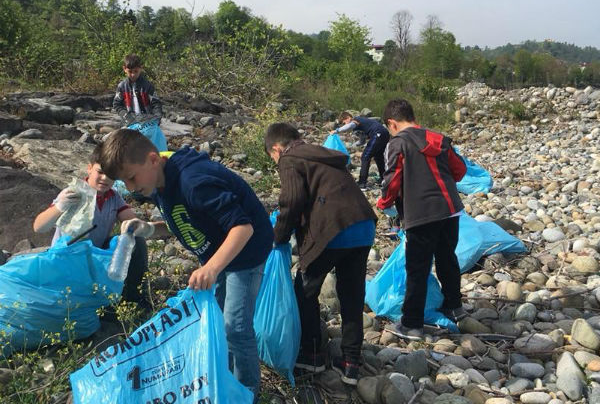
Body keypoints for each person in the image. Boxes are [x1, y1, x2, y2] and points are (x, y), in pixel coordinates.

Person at [97, 128, 273, 402]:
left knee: (235, 326)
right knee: (216, 317)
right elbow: (181, 221)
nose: (130, 189)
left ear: (154, 159)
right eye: (124, 182)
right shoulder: (158, 183)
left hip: (246, 253)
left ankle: (247, 391)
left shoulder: (194, 182)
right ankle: (224, 373)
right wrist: (147, 228)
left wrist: (212, 268)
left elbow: (242, 228)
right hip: (219, 249)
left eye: (131, 178)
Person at [265, 122, 377, 386]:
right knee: (352, 295)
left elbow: (291, 201)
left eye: (272, 157)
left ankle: (313, 354)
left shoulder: (290, 158)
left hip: (333, 230)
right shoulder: (323, 154)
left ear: (277, 148)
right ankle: (351, 362)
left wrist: (277, 238)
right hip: (362, 225)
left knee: (304, 292)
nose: (275, 162)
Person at [376, 98, 467, 341]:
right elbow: (459, 171)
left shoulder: (397, 143)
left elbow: (392, 179)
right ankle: (454, 307)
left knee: (417, 268)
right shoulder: (439, 139)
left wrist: (384, 205)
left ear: (392, 123)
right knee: (447, 258)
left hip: (421, 214)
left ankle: (411, 324)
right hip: (450, 210)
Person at [33, 144, 150, 309]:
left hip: (95, 255)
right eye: (100, 172)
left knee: (136, 241)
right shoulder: (73, 193)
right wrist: (60, 206)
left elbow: (132, 222)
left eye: (110, 174)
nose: (105, 178)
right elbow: (39, 227)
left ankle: (132, 298)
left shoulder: (114, 197)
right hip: (68, 257)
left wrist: (138, 228)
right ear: (89, 169)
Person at [113, 53, 167, 153]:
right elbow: (117, 104)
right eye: (130, 71)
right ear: (124, 69)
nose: (133, 74)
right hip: (130, 121)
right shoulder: (121, 86)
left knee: (155, 141)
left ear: (141, 69)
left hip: (147, 120)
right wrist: (126, 116)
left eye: (136, 71)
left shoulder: (148, 85)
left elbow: (155, 103)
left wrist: (157, 117)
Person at [330, 111, 389, 191]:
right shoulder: (359, 125)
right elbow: (362, 141)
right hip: (385, 134)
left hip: (378, 133)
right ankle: (384, 180)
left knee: (365, 157)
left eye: (344, 122)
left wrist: (336, 130)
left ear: (348, 118)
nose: (345, 125)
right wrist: (352, 146)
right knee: (378, 157)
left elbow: (350, 125)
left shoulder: (355, 120)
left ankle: (362, 183)